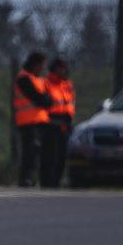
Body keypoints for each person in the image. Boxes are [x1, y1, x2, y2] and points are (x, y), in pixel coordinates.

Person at [13, 51, 52, 187]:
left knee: (37, 152)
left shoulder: (39, 79)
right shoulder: (24, 78)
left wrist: (45, 99)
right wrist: (44, 99)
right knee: (29, 151)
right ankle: (26, 178)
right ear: (35, 64)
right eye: (42, 65)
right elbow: (38, 98)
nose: (43, 68)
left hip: (40, 120)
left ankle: (36, 179)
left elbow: (48, 99)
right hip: (27, 121)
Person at [42, 58, 75, 188]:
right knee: (50, 157)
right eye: (60, 68)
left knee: (62, 156)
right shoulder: (47, 83)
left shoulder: (67, 85)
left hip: (64, 124)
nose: (63, 70)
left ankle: (56, 182)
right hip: (51, 124)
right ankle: (47, 183)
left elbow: (70, 103)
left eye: (64, 68)